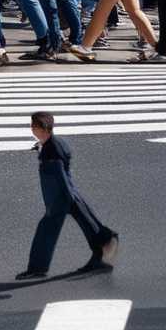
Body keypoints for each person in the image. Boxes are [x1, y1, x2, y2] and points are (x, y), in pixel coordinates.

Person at [16, 110, 115, 280]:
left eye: (34, 126)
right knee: (87, 221)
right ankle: (104, 245)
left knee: (46, 231)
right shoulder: (54, 144)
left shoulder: (52, 150)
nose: (31, 129)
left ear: (43, 128)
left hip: (60, 196)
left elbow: (60, 175)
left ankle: (37, 268)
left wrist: (67, 198)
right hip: (66, 193)